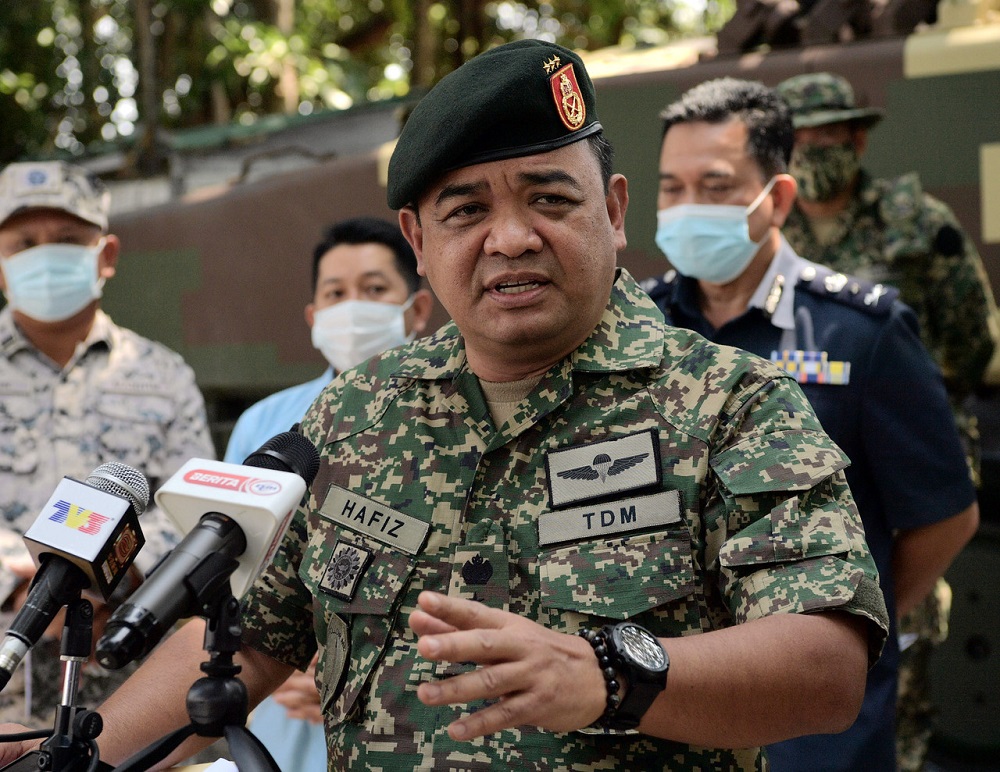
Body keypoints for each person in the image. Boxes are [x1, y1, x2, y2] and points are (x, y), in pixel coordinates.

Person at [1, 41, 889, 770]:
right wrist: (66, 762)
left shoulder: (733, 403)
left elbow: (825, 665)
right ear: (420, 244)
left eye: (549, 198)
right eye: (466, 211)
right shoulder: (358, 413)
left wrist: (610, 675)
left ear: (614, 213)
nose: (511, 236)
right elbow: (251, 640)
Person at [642, 77, 979, 771]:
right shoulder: (639, 331)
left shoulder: (862, 331)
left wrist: (852, 624)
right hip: (669, 705)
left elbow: (946, 515)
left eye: (714, 184)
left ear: (780, 198)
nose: (687, 207)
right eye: (671, 188)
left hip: (814, 729)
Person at [776, 71, 998, 771]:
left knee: (898, 686)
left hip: (899, 478)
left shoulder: (919, 224)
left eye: (826, 137)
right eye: (796, 140)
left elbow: (971, 345)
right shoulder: (764, 237)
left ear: (859, 137)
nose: (811, 152)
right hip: (795, 489)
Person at [0, 161, 215, 726]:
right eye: (24, 243)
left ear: (107, 255)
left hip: (132, 684)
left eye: (68, 240)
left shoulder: (163, 375)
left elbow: (196, 510)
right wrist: (28, 581)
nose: (45, 255)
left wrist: (115, 576)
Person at [224, 216, 433, 771]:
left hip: (405, 712)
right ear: (314, 318)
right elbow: (235, 581)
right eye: (336, 294)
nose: (352, 307)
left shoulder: (448, 421)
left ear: (416, 310)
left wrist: (351, 664)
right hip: (280, 709)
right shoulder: (265, 426)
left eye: (374, 289)